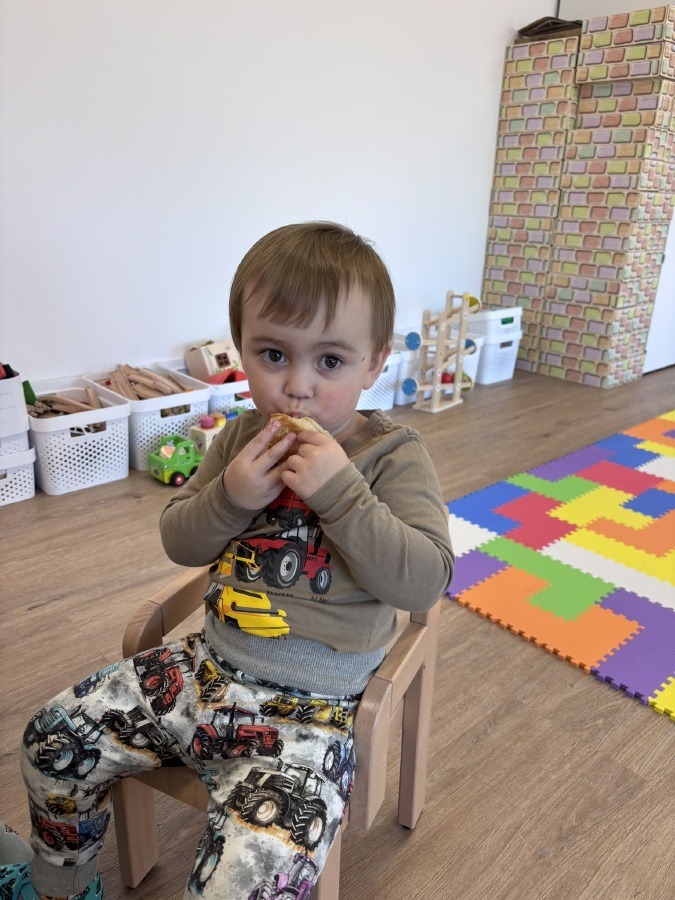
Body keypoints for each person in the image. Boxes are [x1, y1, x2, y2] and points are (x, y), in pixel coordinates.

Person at [3, 221, 453, 899]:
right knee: (50, 741)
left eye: (330, 362)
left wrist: (342, 494)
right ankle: (58, 888)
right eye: (273, 354)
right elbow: (180, 543)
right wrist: (231, 496)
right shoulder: (240, 437)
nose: (297, 387)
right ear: (242, 350)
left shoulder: (392, 456)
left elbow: (424, 581)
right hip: (204, 671)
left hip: (312, 719)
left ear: (374, 363)